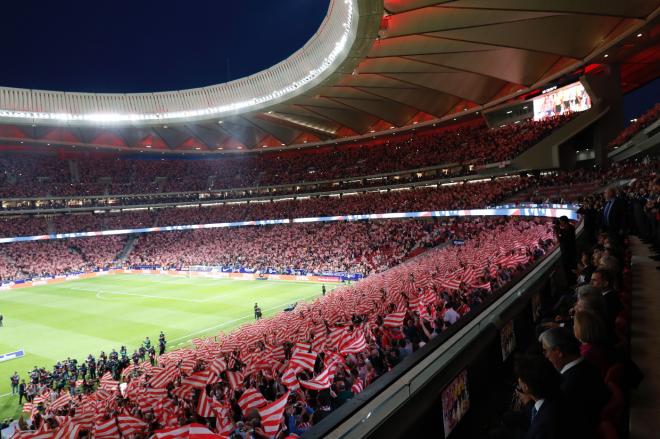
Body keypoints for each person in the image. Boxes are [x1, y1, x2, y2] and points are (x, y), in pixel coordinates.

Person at [539, 328, 609, 434]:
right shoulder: (589, 367)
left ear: (558, 351)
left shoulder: (566, 387)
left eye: (546, 351)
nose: (546, 356)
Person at [513, 354, 574, 439]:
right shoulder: (563, 394)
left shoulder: (541, 430)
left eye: (520, 379)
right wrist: (528, 403)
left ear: (526, 386)